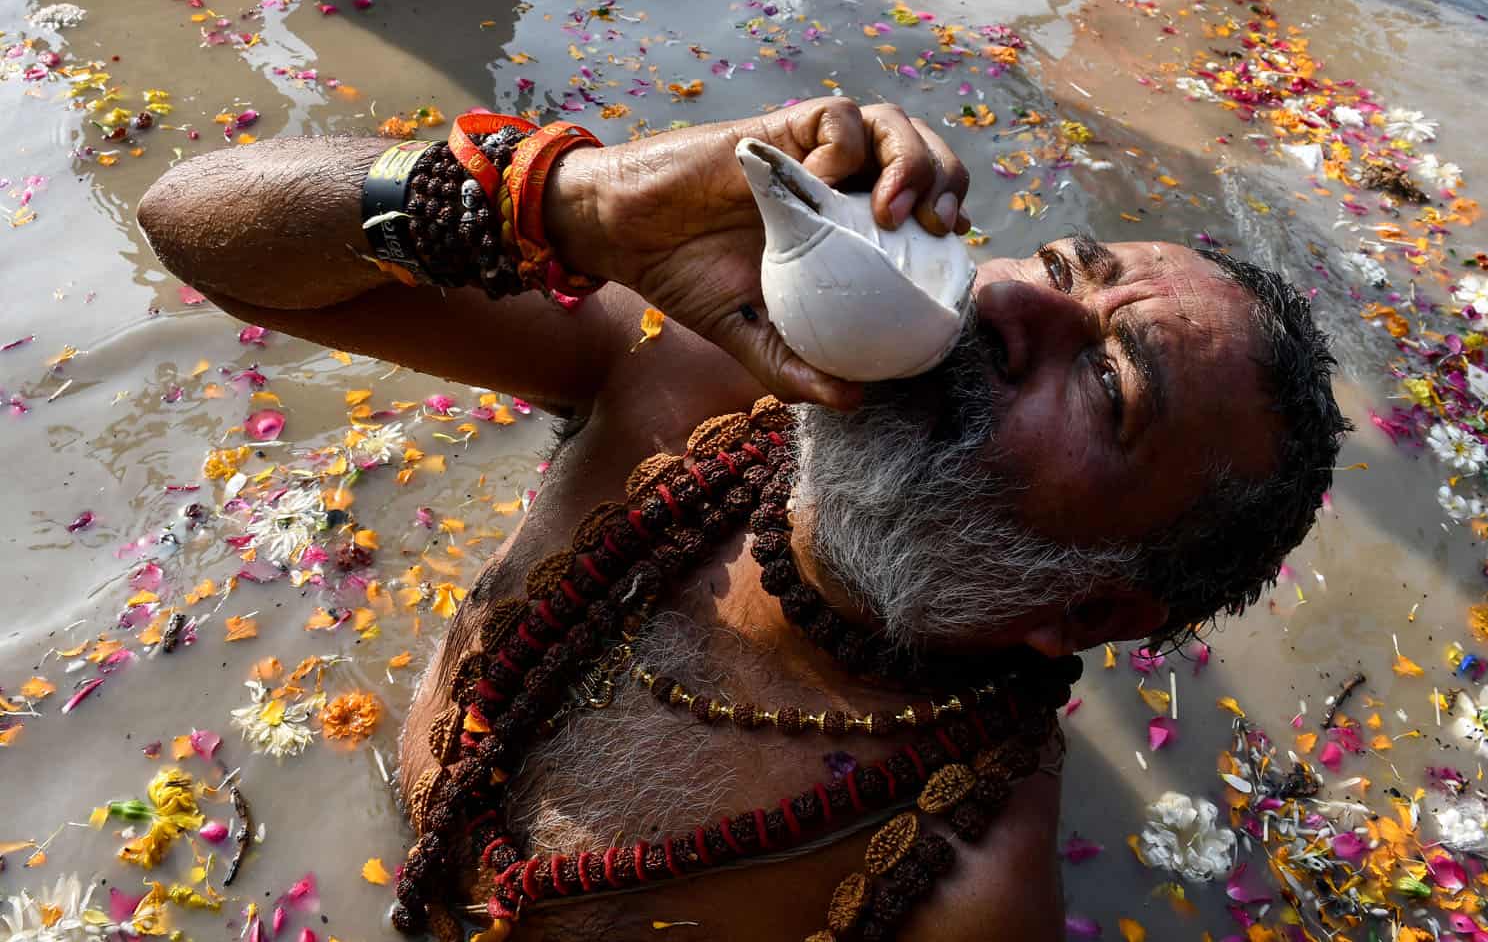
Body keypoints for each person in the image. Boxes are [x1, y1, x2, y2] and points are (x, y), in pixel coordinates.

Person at [137, 97, 1348, 941]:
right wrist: (571, 198)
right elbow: (197, 225)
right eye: (1058, 262)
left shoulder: (954, 888)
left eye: (1105, 383)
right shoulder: (697, 382)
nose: (1012, 297)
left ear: (1089, 604)